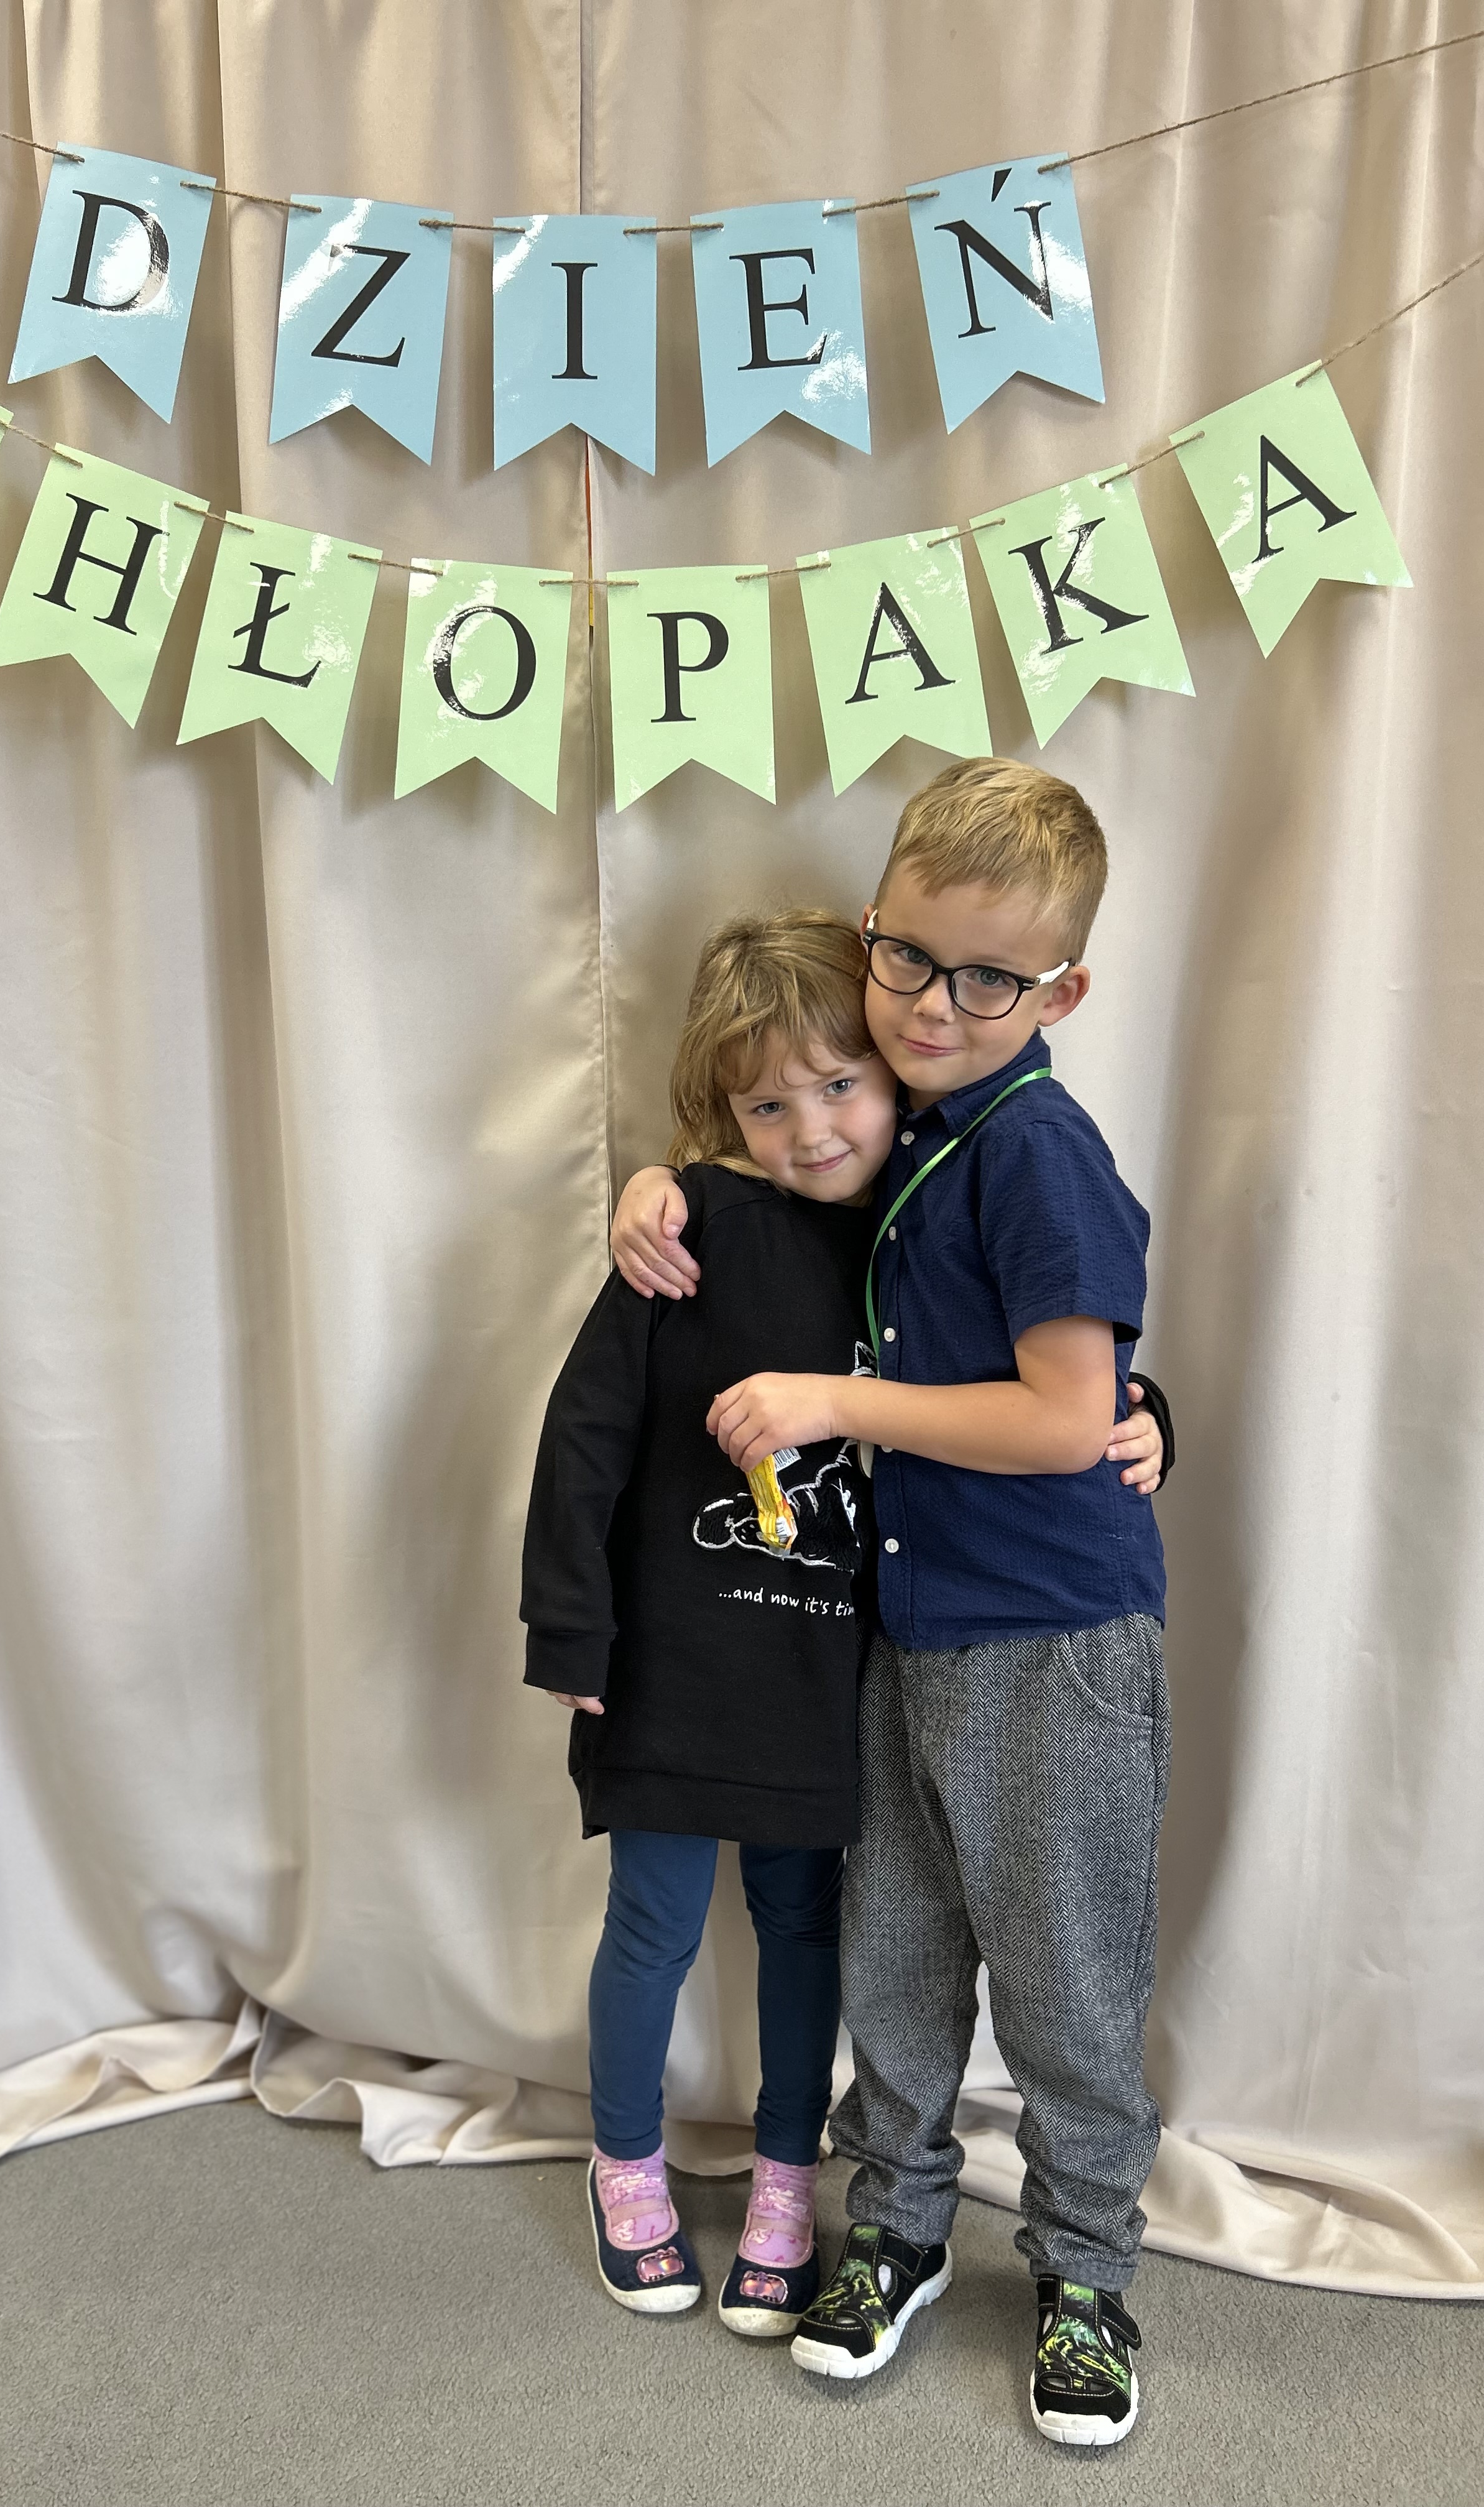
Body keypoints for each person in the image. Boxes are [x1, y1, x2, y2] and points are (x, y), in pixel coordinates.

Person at [609, 758, 1171, 2447]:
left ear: (1060, 993)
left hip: (1051, 1640)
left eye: (987, 979)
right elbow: (791, 1161)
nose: (931, 1003)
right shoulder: (907, 1123)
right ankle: (902, 2225)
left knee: (1065, 1975)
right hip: (903, 1633)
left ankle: (1086, 2275)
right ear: (872, 930)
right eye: (909, 957)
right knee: (901, 1957)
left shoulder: (1036, 1149)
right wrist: (661, 1180)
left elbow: (1065, 1414)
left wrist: (842, 1404)